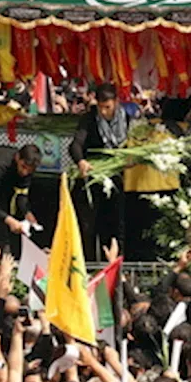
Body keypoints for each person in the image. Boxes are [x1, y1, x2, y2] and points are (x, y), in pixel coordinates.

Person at [69, 83, 129, 260]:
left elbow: (135, 142)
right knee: (88, 226)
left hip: (115, 179)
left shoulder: (127, 119)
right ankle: (87, 267)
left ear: (116, 102)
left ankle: (112, 266)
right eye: (100, 107)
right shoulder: (89, 119)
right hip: (92, 178)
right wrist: (81, 161)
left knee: (112, 225)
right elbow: (76, 144)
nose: (103, 112)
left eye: (107, 107)